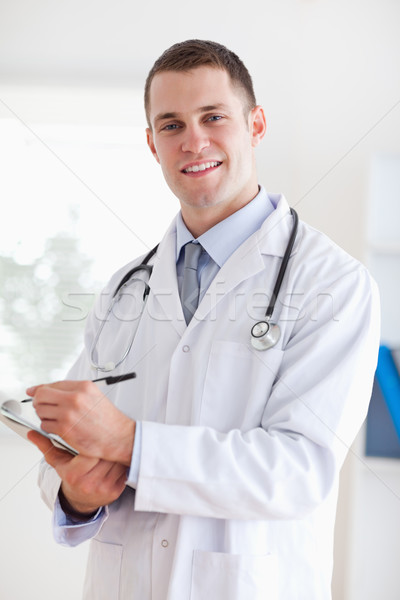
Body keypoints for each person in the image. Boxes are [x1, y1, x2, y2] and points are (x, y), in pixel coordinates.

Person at [27, 39, 380, 600]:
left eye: (213, 117)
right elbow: (67, 457)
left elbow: (299, 470)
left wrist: (134, 444)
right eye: (170, 125)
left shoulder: (331, 283)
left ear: (256, 124)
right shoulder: (124, 288)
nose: (193, 141)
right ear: (152, 143)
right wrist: (77, 492)